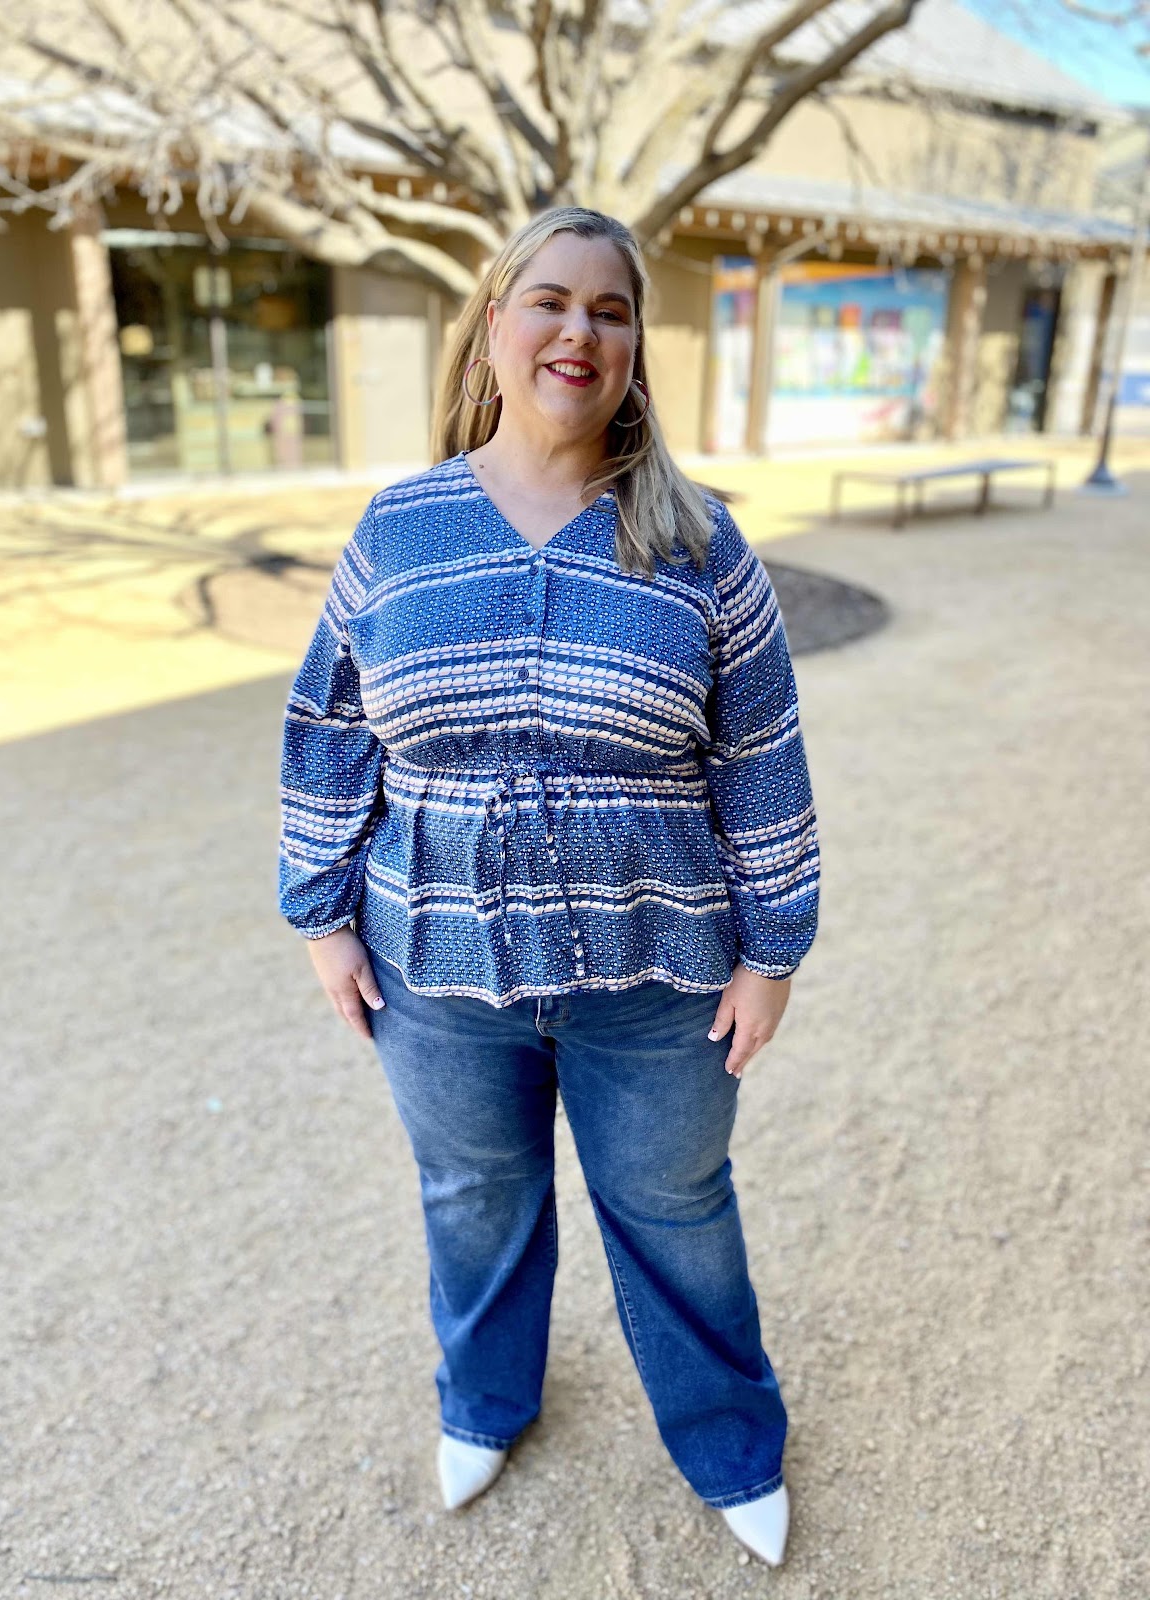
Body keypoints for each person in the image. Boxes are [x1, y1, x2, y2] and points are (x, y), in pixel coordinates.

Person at [278, 206, 820, 1568]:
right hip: (435, 968)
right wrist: (321, 916)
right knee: (472, 1196)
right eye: (550, 300)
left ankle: (730, 1442)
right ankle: (485, 1403)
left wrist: (774, 950)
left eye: (611, 309)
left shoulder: (699, 543)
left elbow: (761, 753)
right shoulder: (400, 529)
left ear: (634, 348)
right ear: (494, 325)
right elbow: (329, 725)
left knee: (677, 1207)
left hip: (662, 974)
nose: (579, 330)